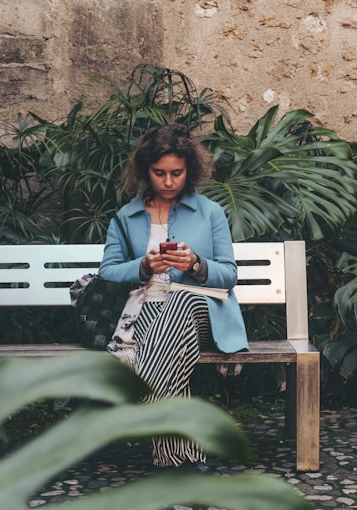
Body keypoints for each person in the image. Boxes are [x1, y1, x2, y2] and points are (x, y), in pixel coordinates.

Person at [98, 123, 248, 470]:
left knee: (179, 301)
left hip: (201, 311)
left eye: (176, 173)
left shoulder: (210, 212)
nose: (168, 182)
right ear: (145, 171)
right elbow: (107, 274)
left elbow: (229, 275)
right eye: (159, 173)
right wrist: (144, 267)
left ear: (189, 170)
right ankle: (179, 458)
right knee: (168, 347)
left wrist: (196, 263)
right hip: (146, 314)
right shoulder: (126, 217)